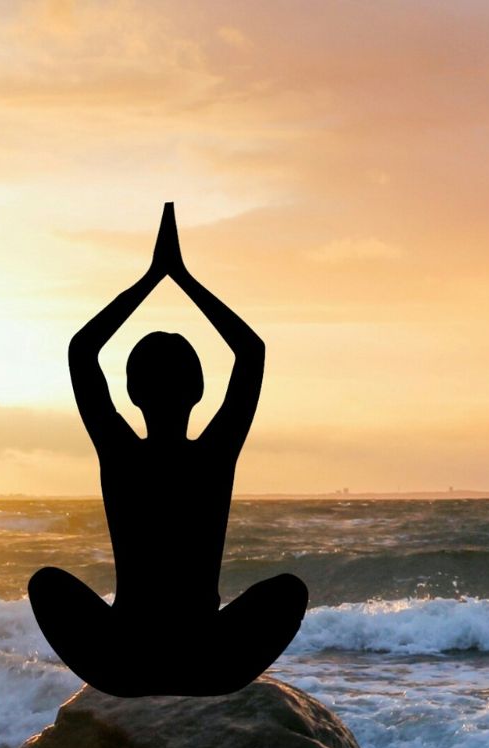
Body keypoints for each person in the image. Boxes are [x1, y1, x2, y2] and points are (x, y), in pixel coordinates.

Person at [29, 203, 307, 696]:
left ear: (133, 393)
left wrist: (152, 278)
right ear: (198, 391)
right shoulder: (215, 453)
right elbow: (251, 352)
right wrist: (183, 279)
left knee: (45, 583)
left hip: (126, 663)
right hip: (205, 662)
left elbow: (81, 351)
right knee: (289, 591)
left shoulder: (119, 451)